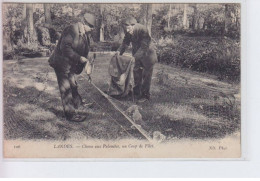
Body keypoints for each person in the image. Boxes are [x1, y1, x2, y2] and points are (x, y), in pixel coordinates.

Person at [48, 13, 95, 122]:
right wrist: (79, 58)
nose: (92, 29)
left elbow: (84, 50)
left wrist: (87, 64)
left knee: (73, 85)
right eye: (91, 26)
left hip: (69, 64)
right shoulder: (71, 30)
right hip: (61, 63)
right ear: (84, 23)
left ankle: (78, 104)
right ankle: (71, 115)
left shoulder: (84, 33)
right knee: (66, 89)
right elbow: (65, 48)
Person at [116, 17, 158, 103]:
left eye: (129, 28)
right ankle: (136, 92)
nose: (127, 31)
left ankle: (145, 96)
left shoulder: (143, 29)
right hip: (137, 53)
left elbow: (144, 46)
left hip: (148, 54)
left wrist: (134, 57)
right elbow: (125, 42)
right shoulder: (128, 29)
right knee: (136, 72)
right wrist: (118, 52)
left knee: (146, 75)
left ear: (133, 25)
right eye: (126, 28)